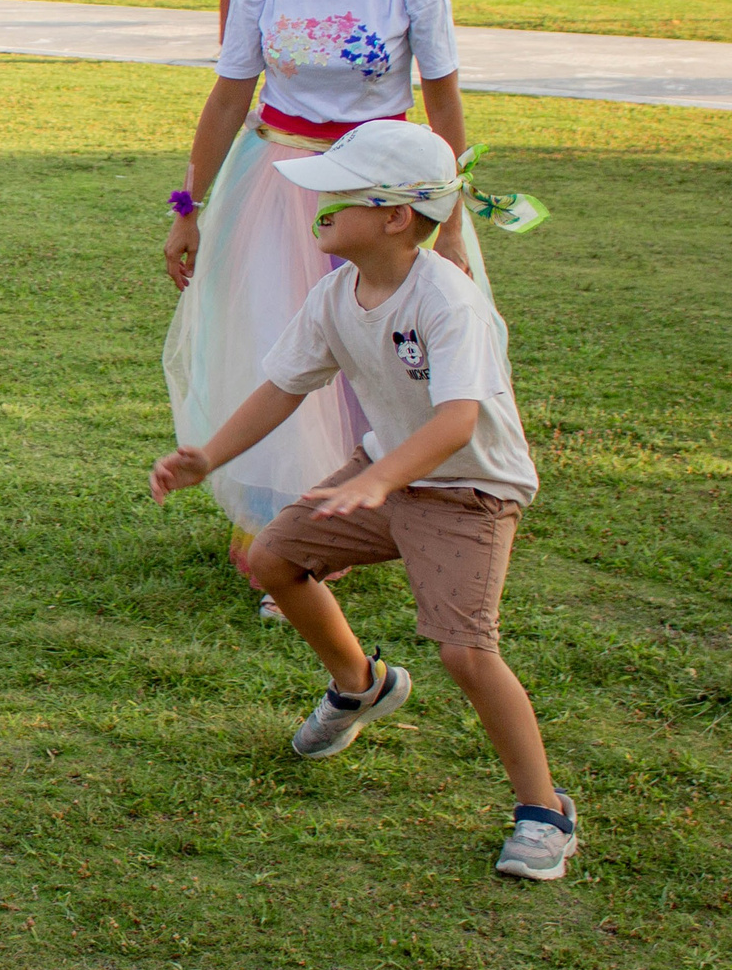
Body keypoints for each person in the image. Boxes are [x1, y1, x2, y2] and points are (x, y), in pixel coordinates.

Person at [149, 120, 576, 882]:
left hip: (468, 489)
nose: (316, 211)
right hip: (387, 471)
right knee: (273, 555)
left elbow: (457, 420)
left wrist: (379, 480)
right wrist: (207, 455)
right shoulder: (334, 293)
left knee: (465, 650)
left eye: (336, 198)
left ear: (395, 216)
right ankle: (360, 685)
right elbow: (283, 387)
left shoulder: (450, 299)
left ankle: (545, 810)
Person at [162, 0, 486, 612]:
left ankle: (371, 513)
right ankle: (287, 527)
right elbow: (231, 94)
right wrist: (188, 207)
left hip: (386, 188)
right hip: (276, 182)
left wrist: (442, 216)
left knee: (378, 357)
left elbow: (442, 101)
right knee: (281, 349)